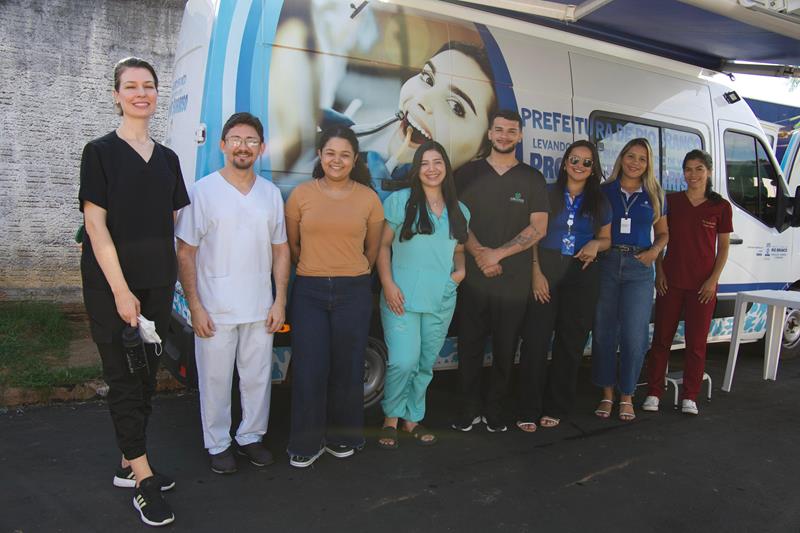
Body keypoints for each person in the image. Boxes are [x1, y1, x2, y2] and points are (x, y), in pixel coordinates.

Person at [78, 57, 189, 527]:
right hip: (112, 286)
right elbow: (95, 225)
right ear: (116, 95)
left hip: (158, 283)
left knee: (145, 377)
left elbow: (170, 219)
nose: (140, 93)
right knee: (124, 377)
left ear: (157, 94)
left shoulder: (168, 159)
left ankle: (130, 461)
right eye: (130, 86)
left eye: (148, 86)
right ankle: (144, 481)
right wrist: (122, 291)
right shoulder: (99, 152)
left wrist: (159, 274)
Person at [175, 113, 290, 474]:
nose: (243, 146)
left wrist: (280, 300)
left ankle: (251, 436)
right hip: (215, 308)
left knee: (258, 378)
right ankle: (218, 443)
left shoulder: (270, 194)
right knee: (215, 381)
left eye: (251, 140)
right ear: (222, 145)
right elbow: (185, 251)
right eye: (236, 139)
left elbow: (281, 250)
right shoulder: (202, 191)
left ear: (262, 148)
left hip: (259, 306)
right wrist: (195, 306)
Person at [284, 126, 384, 467]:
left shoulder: (368, 199)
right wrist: (318, 266)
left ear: (355, 160)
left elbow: (372, 251)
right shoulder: (301, 195)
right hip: (309, 291)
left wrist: (348, 270)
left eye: (344, 155)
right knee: (309, 368)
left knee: (348, 367)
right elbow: (293, 247)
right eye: (330, 153)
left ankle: (344, 437)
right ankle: (306, 443)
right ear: (320, 156)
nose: (336, 160)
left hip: (353, 291)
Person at [452, 109, 549, 433]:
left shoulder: (532, 178)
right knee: (469, 345)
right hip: (474, 277)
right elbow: (457, 219)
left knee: (506, 349)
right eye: (499, 130)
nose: (504, 136)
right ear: (489, 133)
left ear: (520, 135)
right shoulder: (468, 173)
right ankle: (467, 409)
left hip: (514, 280)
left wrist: (498, 254)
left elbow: (539, 227)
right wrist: (481, 255)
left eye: (511, 131)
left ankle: (495, 411)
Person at [376, 141, 470, 449]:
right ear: (416, 169)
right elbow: (383, 246)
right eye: (425, 163)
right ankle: (391, 418)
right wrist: (388, 284)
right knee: (403, 361)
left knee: (425, 363)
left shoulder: (460, 211)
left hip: (441, 298)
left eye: (437, 162)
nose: (431, 169)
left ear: (446, 167)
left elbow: (458, 250)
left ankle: (412, 418)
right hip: (400, 297)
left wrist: (459, 273)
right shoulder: (400, 202)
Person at [517, 141, 612, 431]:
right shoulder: (546, 193)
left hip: (581, 271)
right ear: (565, 162)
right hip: (546, 266)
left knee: (570, 342)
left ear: (593, 168)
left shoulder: (600, 201)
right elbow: (532, 235)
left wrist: (596, 244)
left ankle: (556, 407)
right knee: (535, 340)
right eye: (574, 159)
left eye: (586, 162)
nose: (579, 166)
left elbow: (607, 239)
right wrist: (536, 272)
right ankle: (527, 408)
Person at [643, 150, 732, 415]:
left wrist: (713, 281)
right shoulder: (671, 201)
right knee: (661, 340)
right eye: (688, 169)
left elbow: (723, 248)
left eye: (699, 169)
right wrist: (659, 271)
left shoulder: (720, 206)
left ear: (709, 172)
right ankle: (654, 392)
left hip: (703, 286)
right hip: (670, 281)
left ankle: (690, 395)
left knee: (696, 344)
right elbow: (659, 238)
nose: (693, 175)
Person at [591, 138, 668, 422]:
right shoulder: (604, 191)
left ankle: (627, 395)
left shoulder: (655, 194)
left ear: (648, 164)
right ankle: (607, 394)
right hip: (607, 263)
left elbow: (663, 233)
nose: (635, 163)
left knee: (634, 336)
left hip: (639, 267)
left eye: (642, 159)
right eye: (631, 156)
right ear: (621, 157)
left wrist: (654, 252)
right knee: (604, 333)